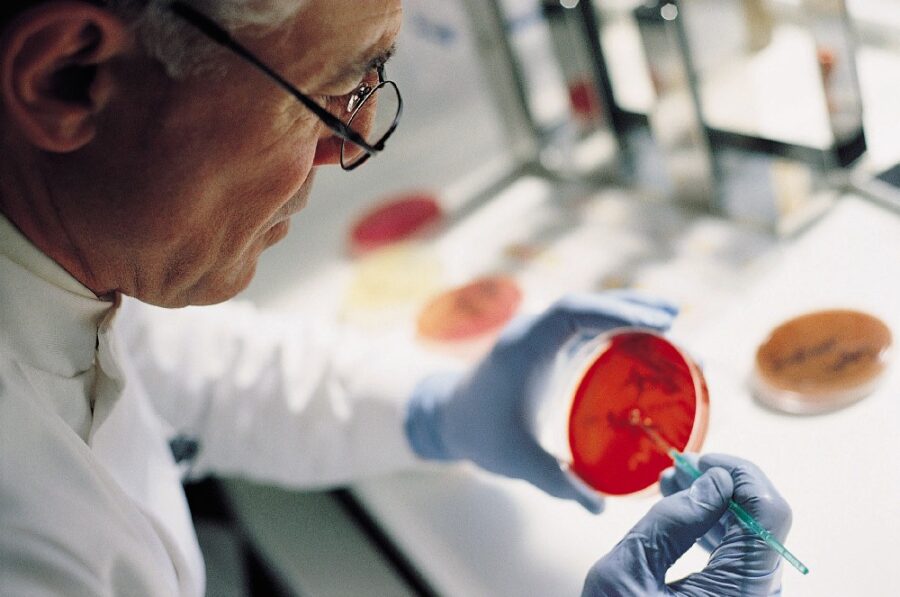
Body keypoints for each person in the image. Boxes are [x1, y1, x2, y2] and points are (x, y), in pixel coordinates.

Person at [0, 1, 791, 595]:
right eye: (332, 91)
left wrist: (436, 408)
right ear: (71, 80)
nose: (352, 146)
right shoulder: (25, 543)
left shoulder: (62, 263)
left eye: (374, 78)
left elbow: (183, 370)